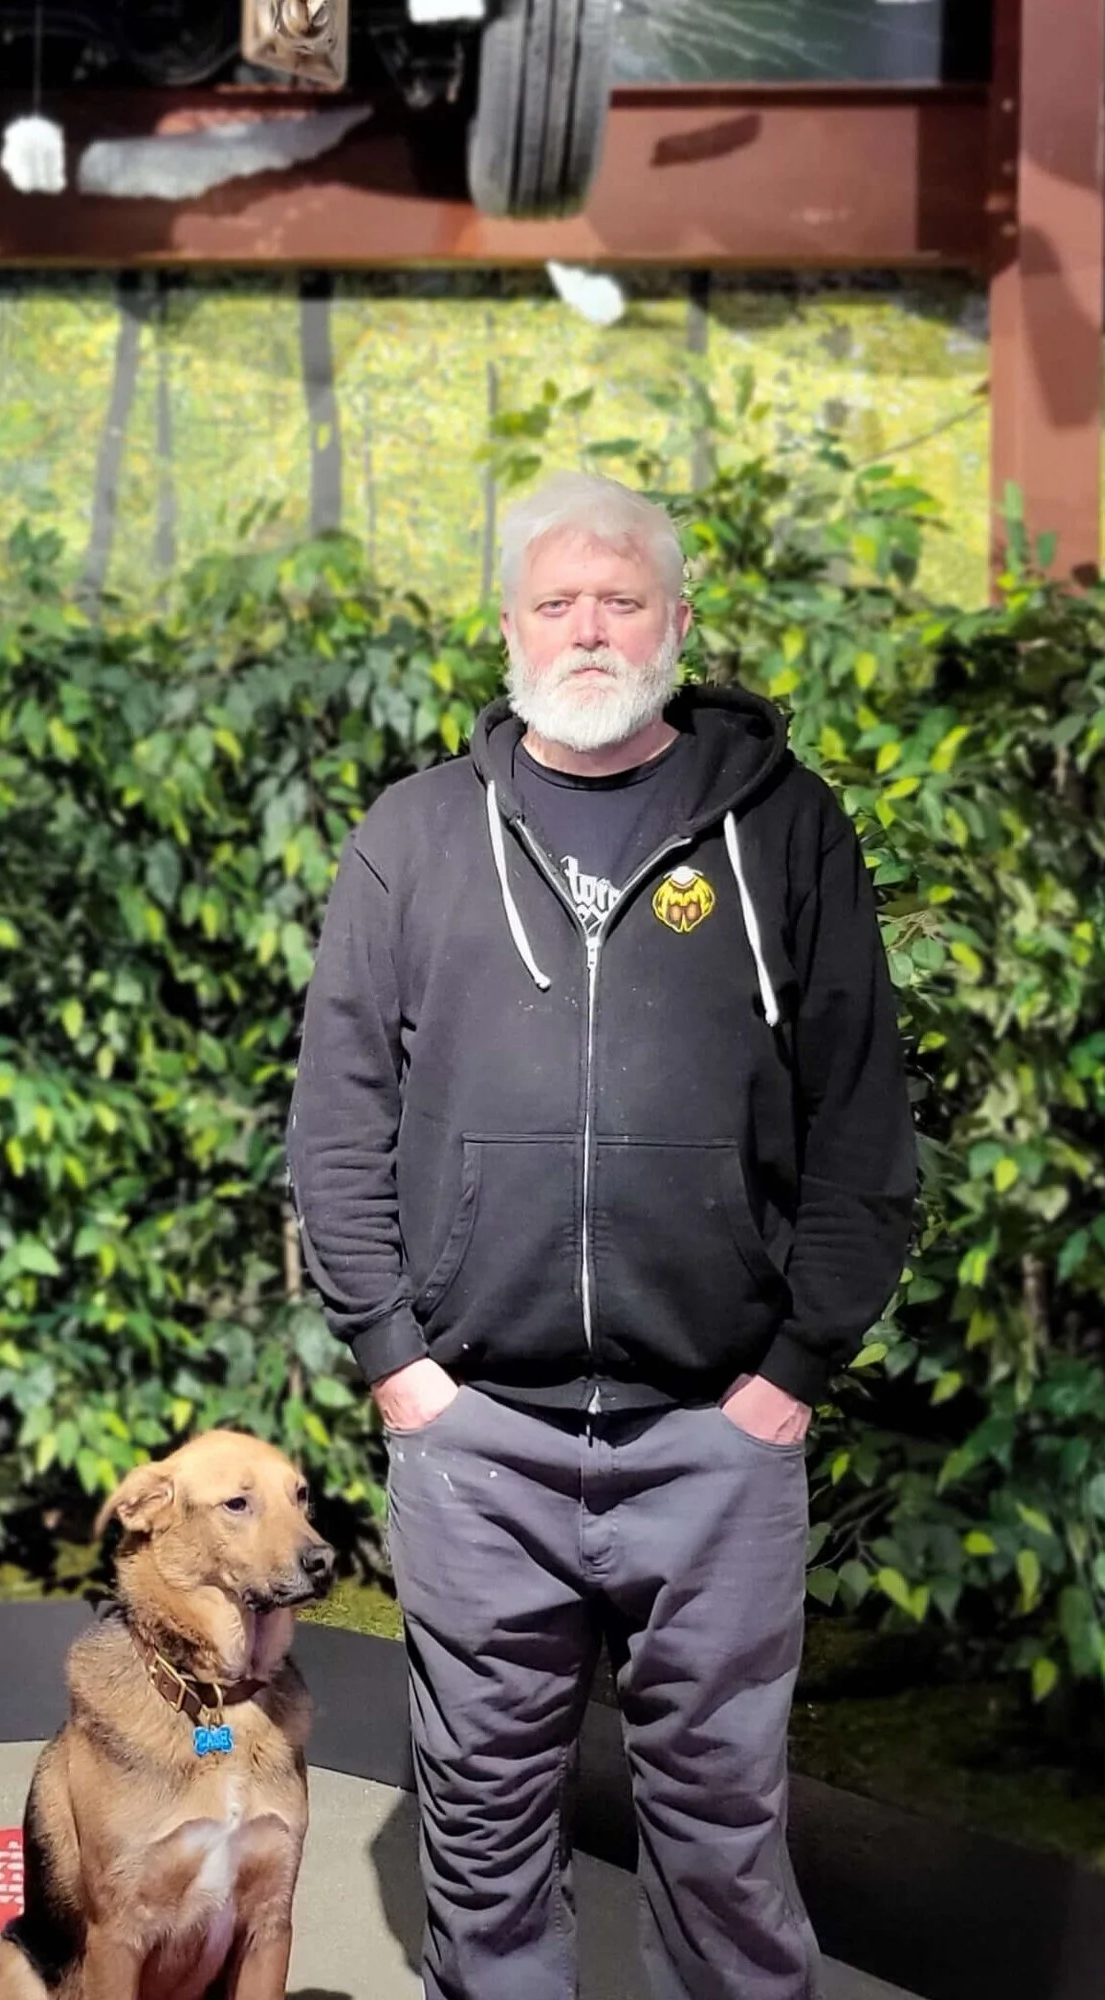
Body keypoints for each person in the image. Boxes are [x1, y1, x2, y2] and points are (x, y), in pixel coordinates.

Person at [285, 469, 918, 2000]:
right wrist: (397, 1366)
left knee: (721, 1831)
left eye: (619, 599)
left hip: (716, 1436)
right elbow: (336, 1118)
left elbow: (863, 1119)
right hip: (478, 1440)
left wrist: (793, 1371)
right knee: (486, 1832)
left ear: (676, 624)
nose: (588, 628)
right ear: (506, 628)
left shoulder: (784, 833)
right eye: (555, 600)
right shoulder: (417, 835)